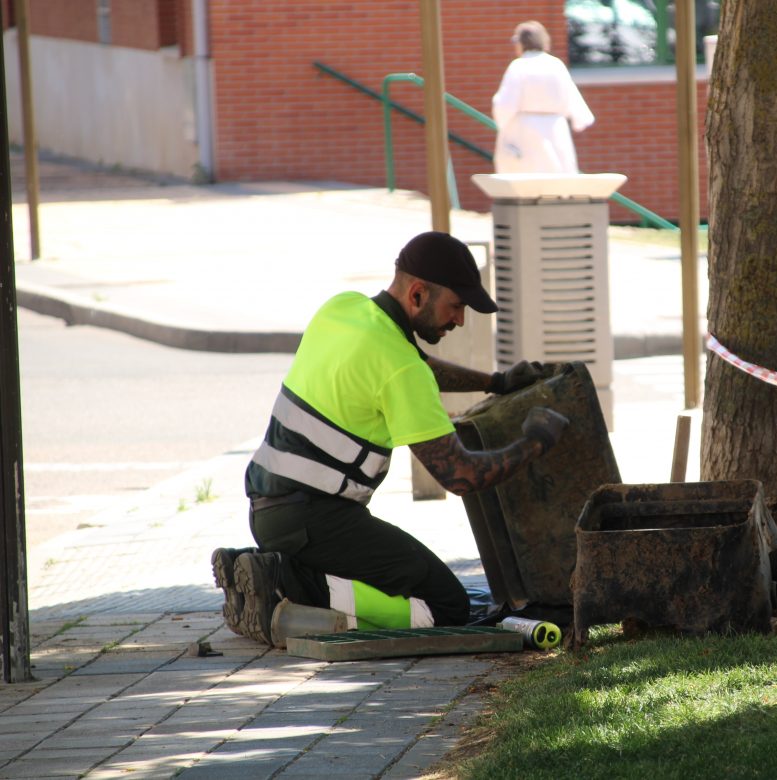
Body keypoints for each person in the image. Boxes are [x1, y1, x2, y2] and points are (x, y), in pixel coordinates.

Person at [212, 231, 569, 645]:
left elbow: (413, 363)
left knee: (407, 577)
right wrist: (535, 440)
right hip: (316, 520)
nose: (460, 320)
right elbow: (461, 476)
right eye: (456, 306)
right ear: (418, 294)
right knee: (446, 606)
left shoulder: (343, 309)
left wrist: (495, 381)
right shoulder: (401, 369)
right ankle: (287, 582)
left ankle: (264, 571)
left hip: (267, 511)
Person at [492, 20, 595, 174]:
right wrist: (578, 120)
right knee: (557, 179)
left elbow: (505, 104)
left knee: (528, 180)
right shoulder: (556, 65)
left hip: (525, 130)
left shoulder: (519, 66)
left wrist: (502, 123)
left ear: (521, 44)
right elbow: (572, 98)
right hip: (556, 129)